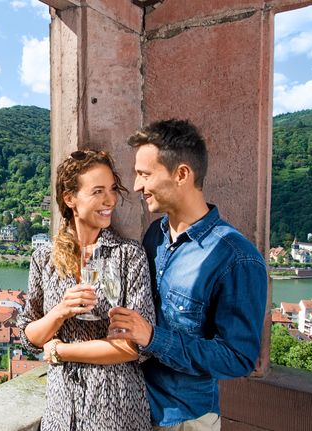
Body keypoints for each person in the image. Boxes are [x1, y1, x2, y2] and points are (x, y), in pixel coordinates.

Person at [108, 119, 268, 430]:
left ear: (182, 174)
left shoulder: (236, 258)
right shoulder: (156, 234)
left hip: (184, 420)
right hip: (134, 409)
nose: (137, 186)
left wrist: (154, 338)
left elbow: (239, 358)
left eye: (144, 174)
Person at [17, 149, 155, 431]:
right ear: (70, 199)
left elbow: (132, 347)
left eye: (113, 189)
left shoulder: (128, 256)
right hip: (60, 412)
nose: (110, 200)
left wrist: (62, 351)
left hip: (115, 411)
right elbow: (29, 337)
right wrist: (60, 312)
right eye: (98, 191)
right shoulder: (44, 257)